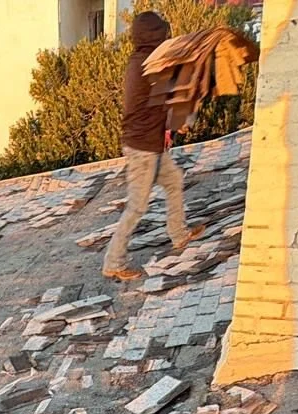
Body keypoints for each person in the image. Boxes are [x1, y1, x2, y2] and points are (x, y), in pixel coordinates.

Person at [103, 11, 204, 282]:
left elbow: (165, 101)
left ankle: (179, 234)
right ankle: (114, 262)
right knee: (137, 207)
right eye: (164, 34)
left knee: (173, 180)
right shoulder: (149, 65)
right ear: (156, 37)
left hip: (151, 144)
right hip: (143, 148)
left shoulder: (142, 60)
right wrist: (183, 119)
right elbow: (170, 99)